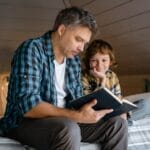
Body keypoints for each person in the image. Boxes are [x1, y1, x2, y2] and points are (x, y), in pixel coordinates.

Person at [0, 6, 128, 150]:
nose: (81, 48)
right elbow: (28, 105)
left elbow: (77, 99)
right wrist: (76, 116)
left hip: (66, 120)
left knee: (118, 124)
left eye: (85, 43)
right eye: (78, 40)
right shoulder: (31, 49)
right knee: (69, 129)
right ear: (62, 30)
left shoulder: (73, 61)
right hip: (25, 122)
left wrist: (93, 110)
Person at [82, 39, 127, 119]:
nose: (99, 65)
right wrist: (103, 80)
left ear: (110, 62)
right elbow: (92, 103)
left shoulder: (112, 75)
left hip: (113, 110)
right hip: (95, 113)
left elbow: (118, 97)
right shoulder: (83, 76)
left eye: (104, 60)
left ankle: (123, 123)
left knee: (144, 104)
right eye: (94, 60)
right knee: (117, 119)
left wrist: (123, 110)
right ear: (88, 62)